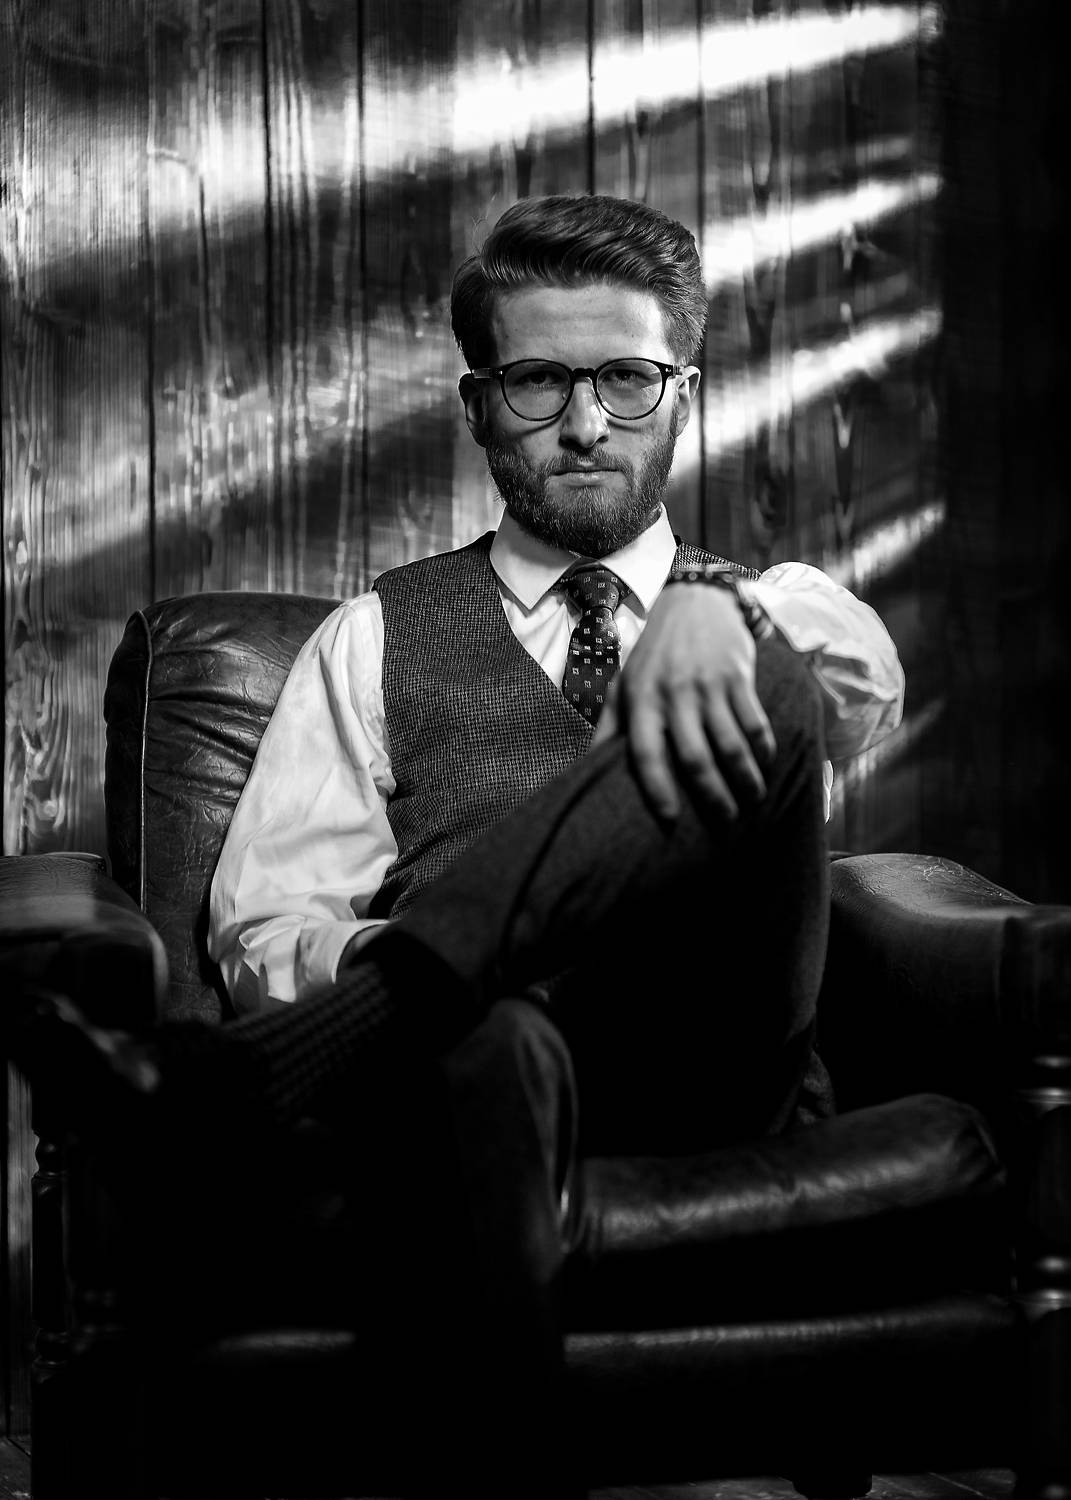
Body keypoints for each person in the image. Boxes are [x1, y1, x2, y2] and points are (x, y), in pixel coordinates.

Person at [12, 194, 904, 1497]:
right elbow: (266, 930)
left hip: (721, 1061)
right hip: (497, 1075)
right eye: (539, 382)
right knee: (482, 1036)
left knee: (762, 665)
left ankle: (248, 1082)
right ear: (482, 407)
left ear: (684, 396)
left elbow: (869, 684)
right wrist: (443, 971)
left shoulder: (778, 608)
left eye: (627, 379)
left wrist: (721, 611)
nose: (586, 423)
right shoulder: (373, 639)